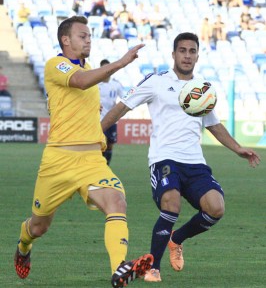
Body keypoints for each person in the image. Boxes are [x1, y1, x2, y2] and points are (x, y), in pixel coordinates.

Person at [101, 32, 261, 282]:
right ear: (173, 54)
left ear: (197, 55)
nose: (187, 56)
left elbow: (213, 125)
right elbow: (123, 106)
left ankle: (176, 239)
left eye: (192, 51)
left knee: (216, 208)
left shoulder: (202, 88)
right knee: (171, 203)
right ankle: (153, 267)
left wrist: (237, 148)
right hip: (164, 159)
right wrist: (95, 132)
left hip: (195, 162)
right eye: (182, 50)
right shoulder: (155, 81)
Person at [14, 15, 153, 288]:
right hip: (58, 160)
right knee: (39, 227)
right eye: (82, 35)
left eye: (89, 35)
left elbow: (79, 94)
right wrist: (121, 63)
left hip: (91, 160)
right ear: (65, 40)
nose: (88, 39)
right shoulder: (56, 64)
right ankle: (23, 245)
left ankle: (119, 270)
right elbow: (79, 82)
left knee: (117, 202)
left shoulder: (87, 68)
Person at [99, 59, 125, 165]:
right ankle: (100, 166)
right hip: (99, 119)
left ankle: (107, 166)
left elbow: (124, 98)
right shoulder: (95, 84)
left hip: (112, 119)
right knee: (101, 143)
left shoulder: (116, 85)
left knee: (110, 144)